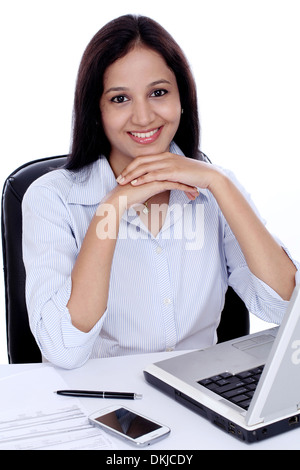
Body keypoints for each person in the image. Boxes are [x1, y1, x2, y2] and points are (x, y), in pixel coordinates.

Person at [22, 14, 298, 369]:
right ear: (96, 110)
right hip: (98, 400)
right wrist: (114, 206)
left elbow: (286, 309)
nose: (143, 117)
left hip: (200, 394)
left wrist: (221, 183)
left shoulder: (215, 188)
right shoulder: (51, 198)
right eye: (120, 99)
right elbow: (63, 349)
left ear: (182, 98)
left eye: (158, 92)